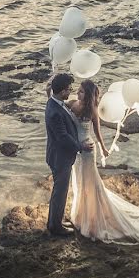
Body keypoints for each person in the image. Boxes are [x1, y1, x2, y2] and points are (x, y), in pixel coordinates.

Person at [66, 79, 139, 244]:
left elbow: (97, 132)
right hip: (76, 150)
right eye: (78, 90)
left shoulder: (92, 110)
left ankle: (92, 217)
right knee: (79, 181)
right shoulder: (72, 104)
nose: (78, 93)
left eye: (81, 91)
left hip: (87, 150)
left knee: (90, 183)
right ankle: (81, 214)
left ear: (88, 95)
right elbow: (58, 108)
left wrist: (103, 149)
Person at [44, 73, 92, 236]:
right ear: (62, 91)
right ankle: (55, 227)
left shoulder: (54, 101)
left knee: (59, 190)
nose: (70, 92)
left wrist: (50, 86)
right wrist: (81, 146)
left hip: (56, 155)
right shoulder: (55, 112)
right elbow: (63, 137)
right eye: (68, 89)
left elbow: (50, 89)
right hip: (60, 157)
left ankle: (54, 221)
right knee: (60, 191)